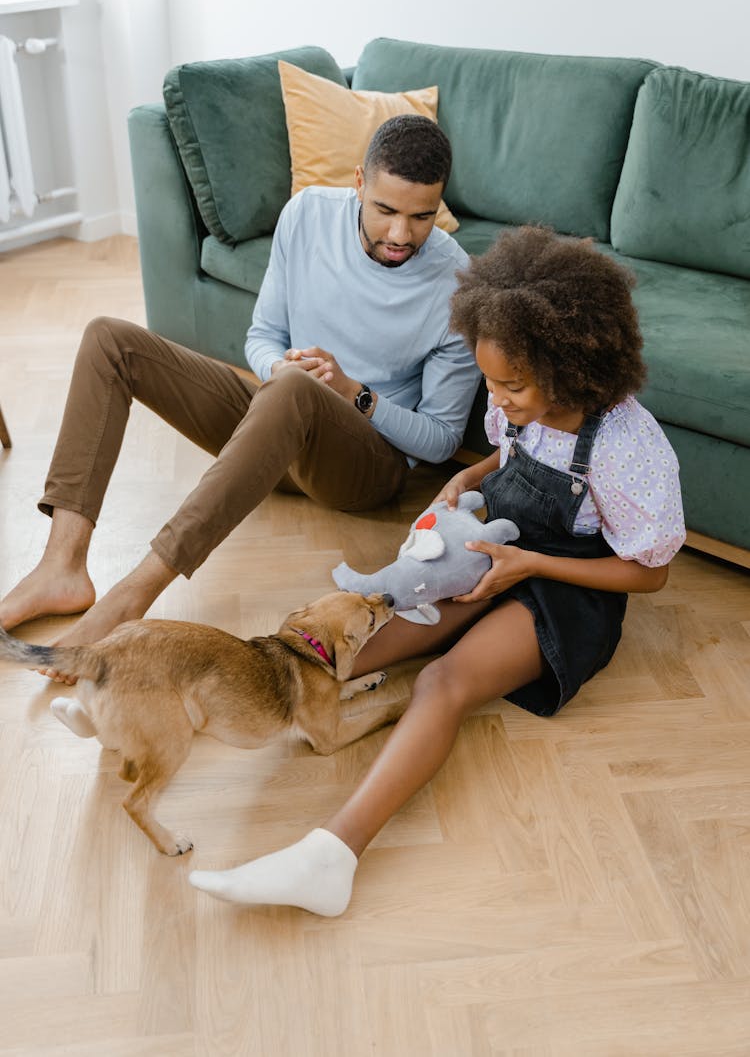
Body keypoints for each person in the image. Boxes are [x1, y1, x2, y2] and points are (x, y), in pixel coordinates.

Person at [189, 224, 686, 917]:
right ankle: (177, 710)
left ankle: (331, 857)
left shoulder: (628, 446)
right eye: (490, 380)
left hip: (567, 586)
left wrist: (530, 564)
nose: (498, 398)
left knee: (441, 679)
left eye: (510, 385)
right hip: (489, 547)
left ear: (570, 367)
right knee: (351, 637)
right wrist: (467, 479)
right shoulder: (518, 397)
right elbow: (511, 457)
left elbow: (651, 573)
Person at [0, 115, 479, 655]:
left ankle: (133, 595)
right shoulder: (305, 216)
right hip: (275, 424)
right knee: (110, 340)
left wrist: (353, 393)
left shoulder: (457, 283)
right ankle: (61, 565)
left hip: (365, 468)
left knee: (299, 393)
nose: (400, 235)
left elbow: (440, 439)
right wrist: (281, 370)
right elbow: (263, 335)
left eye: (421, 217)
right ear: (359, 183)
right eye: (386, 211)